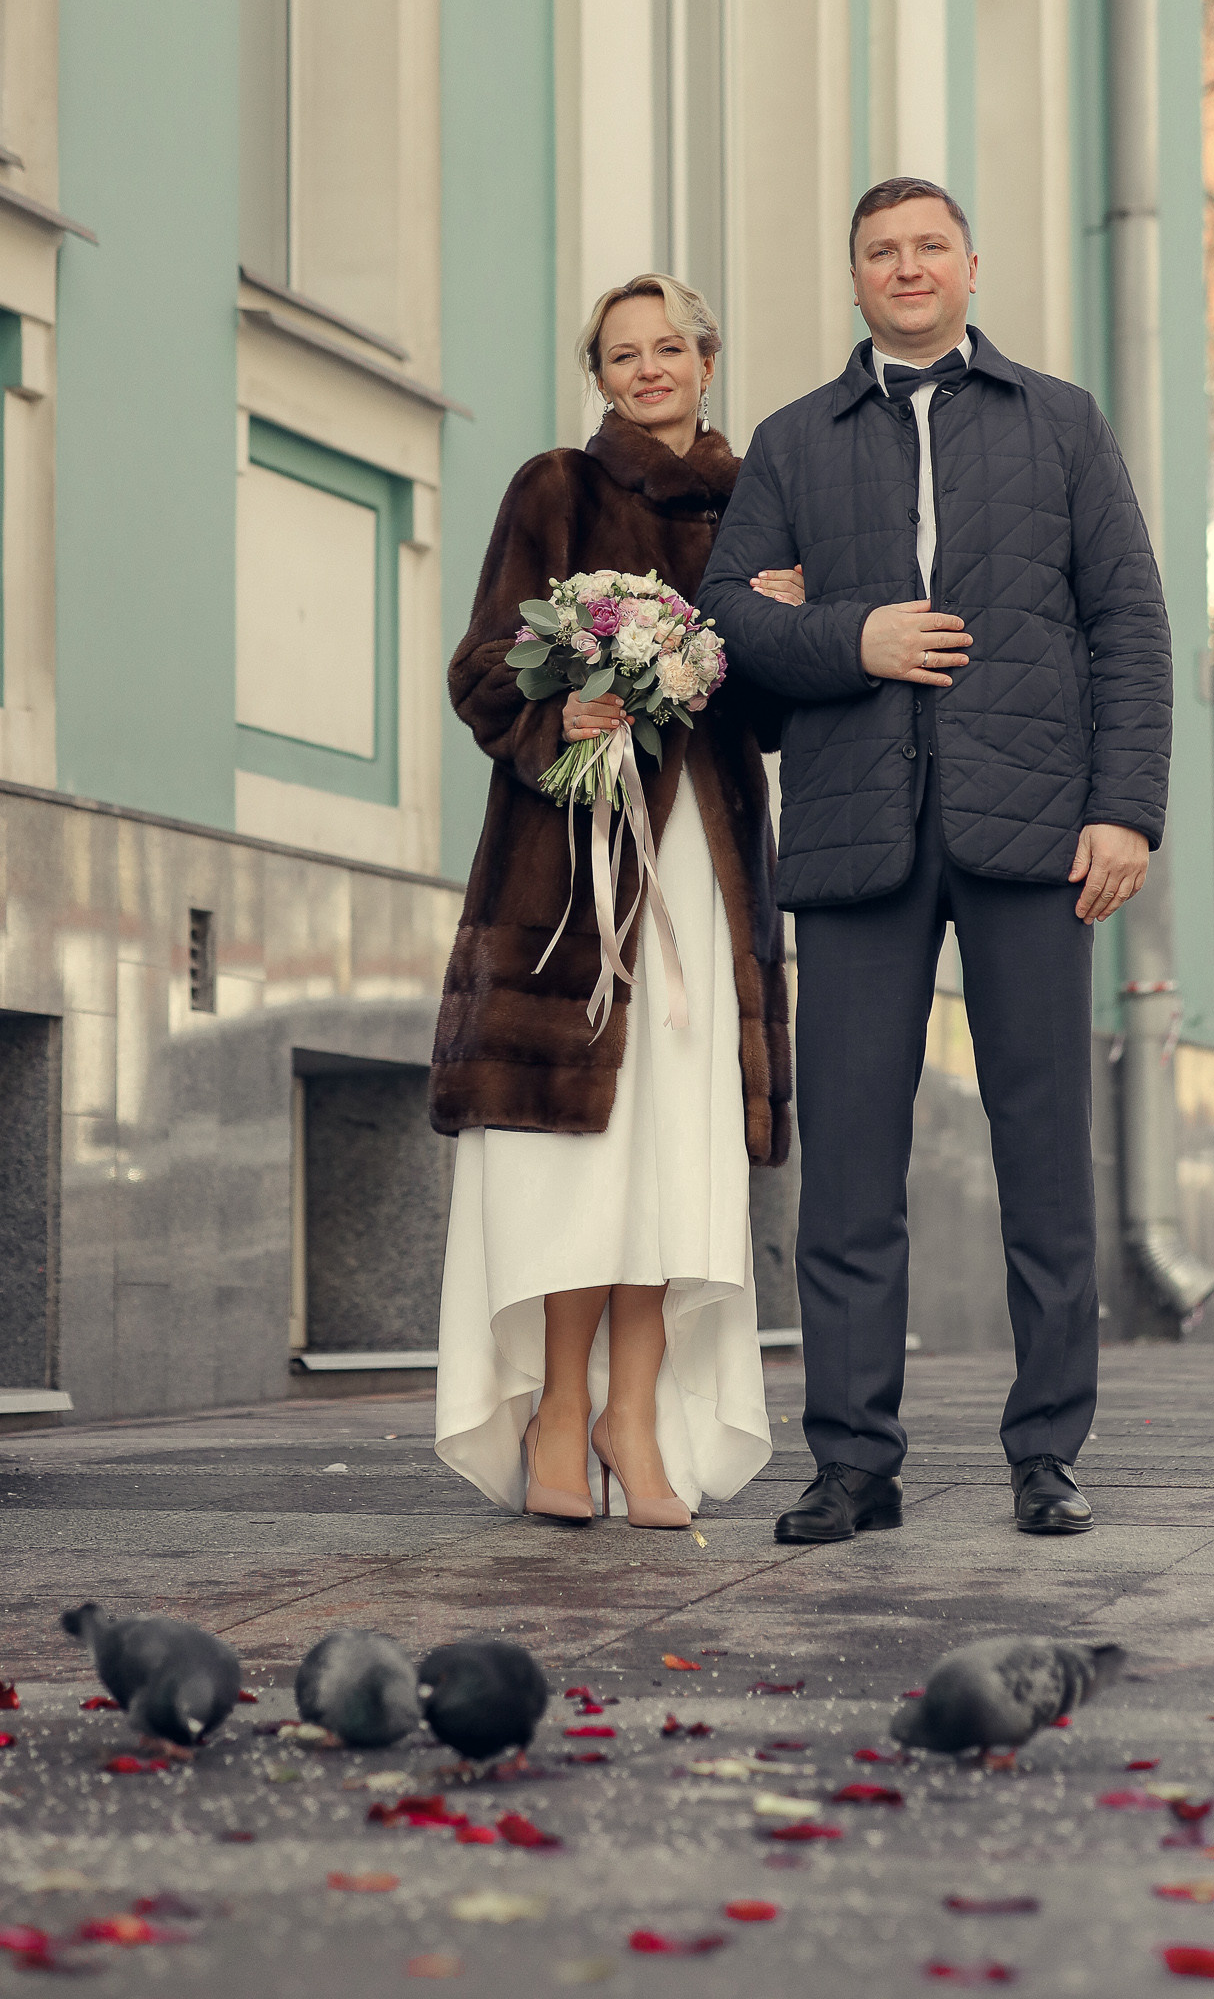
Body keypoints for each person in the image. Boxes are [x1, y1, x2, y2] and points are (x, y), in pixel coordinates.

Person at [699, 177, 1172, 1545]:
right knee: (847, 1165)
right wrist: (853, 641)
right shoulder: (794, 443)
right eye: (879, 252)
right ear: (853, 276)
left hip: (1035, 834)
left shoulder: (1061, 424)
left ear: (971, 263)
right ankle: (853, 1461)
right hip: (857, 834)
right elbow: (725, 621)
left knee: (1046, 1155)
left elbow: (1128, 623)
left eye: (927, 248)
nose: (906, 269)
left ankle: (1047, 1455)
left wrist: (1125, 810)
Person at [430, 274, 800, 1527]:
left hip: (702, 861)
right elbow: (482, 665)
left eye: (669, 348)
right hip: (566, 872)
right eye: (621, 354)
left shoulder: (762, 500)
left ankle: (631, 1418)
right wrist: (561, 713)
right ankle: (552, 1409)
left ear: (707, 358)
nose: (648, 370)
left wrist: (774, 638)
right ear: (597, 375)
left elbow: (773, 713)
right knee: (573, 1161)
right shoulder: (554, 486)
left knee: (671, 1153)